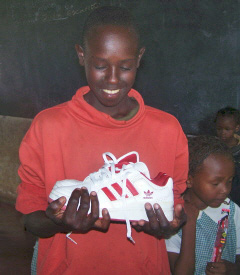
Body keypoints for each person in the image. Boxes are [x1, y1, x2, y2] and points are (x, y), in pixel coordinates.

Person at [15, 6, 188, 275]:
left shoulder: (167, 129)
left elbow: (176, 209)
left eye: (126, 67)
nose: (112, 79)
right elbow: (30, 219)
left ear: (139, 58)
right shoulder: (48, 126)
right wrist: (60, 222)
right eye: (100, 65)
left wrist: (171, 224)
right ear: (81, 56)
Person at [165, 135, 240, 275]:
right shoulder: (174, 216)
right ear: (189, 180)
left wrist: (231, 269)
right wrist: (190, 223)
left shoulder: (232, 211)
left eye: (229, 181)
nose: (225, 190)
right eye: (215, 183)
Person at [215, 106, 240, 206]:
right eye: (219, 129)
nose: (222, 133)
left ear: (237, 128)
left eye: (227, 129)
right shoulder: (213, 147)